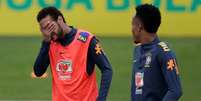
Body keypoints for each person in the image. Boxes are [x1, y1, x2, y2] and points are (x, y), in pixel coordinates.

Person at [33, 6, 112, 101]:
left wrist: (101, 98)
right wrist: (45, 42)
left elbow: (107, 69)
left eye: (49, 26)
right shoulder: (50, 44)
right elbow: (38, 72)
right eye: (44, 29)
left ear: (60, 19)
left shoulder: (86, 40)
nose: (48, 32)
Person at [131, 4, 182, 101]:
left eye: (133, 24)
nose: (131, 29)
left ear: (139, 27)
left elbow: (175, 91)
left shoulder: (164, 53)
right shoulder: (137, 50)